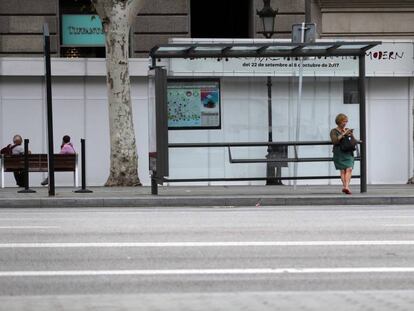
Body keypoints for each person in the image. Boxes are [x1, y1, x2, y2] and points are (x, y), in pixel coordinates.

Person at [330, 113, 356, 195]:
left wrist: (351, 134)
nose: (345, 123)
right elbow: (334, 141)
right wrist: (343, 134)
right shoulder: (333, 131)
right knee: (343, 170)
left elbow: (353, 141)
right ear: (339, 121)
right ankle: (345, 187)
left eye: (346, 121)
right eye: (344, 121)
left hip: (348, 152)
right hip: (339, 153)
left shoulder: (347, 129)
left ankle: (346, 187)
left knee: (349, 168)